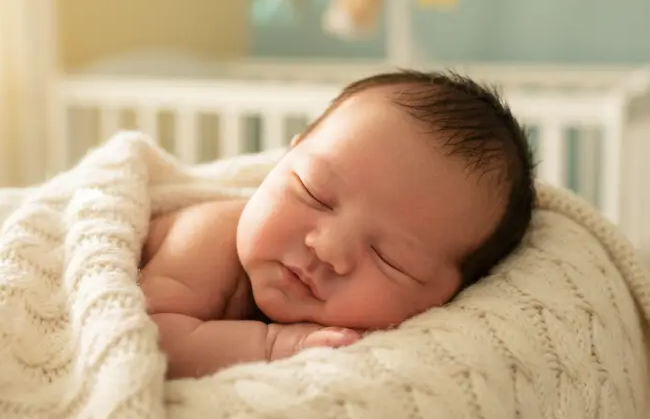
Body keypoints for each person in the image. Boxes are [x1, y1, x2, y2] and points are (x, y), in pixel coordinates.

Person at [139, 69, 535, 378]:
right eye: (314, 193)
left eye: (389, 258)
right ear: (283, 161)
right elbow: (148, 338)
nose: (327, 249)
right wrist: (274, 345)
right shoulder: (206, 235)